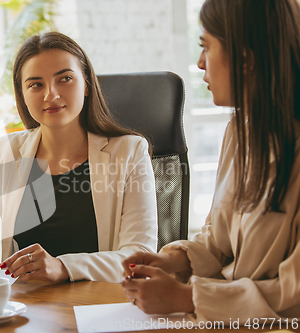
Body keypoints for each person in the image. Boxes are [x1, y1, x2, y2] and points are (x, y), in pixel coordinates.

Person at [121, 0, 300, 322]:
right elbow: (221, 240)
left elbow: (295, 296)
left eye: (206, 47)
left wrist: (187, 297)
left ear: (245, 59)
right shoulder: (242, 132)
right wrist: (173, 260)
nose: (201, 63)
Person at [0, 32, 157, 284]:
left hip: (98, 305)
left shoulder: (129, 151)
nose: (51, 94)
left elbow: (140, 255)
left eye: (65, 79)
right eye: (36, 84)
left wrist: (62, 266)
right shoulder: (7, 150)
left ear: (86, 84)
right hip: (27, 306)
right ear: (23, 94)